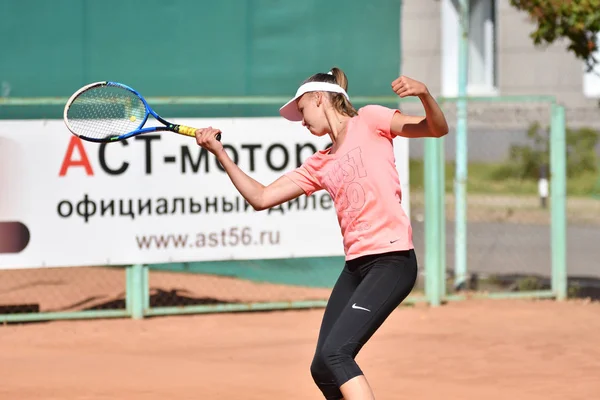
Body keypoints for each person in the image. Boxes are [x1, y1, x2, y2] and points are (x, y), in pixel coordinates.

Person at [194, 67, 449, 400]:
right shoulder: (320, 162)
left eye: (302, 110)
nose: (302, 120)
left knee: (336, 354)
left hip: (392, 260)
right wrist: (220, 154)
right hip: (357, 267)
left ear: (319, 98)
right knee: (322, 368)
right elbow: (261, 198)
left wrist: (424, 94)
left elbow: (436, 129)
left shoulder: (370, 120)